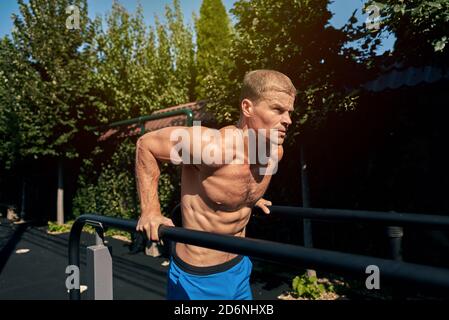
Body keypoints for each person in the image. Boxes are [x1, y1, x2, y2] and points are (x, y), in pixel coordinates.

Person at [135, 69, 296, 300]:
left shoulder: (274, 152)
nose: (288, 120)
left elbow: (236, 183)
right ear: (248, 108)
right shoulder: (211, 147)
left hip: (240, 267)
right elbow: (146, 145)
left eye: (289, 112)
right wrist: (150, 211)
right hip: (198, 277)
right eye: (278, 110)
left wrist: (251, 197)